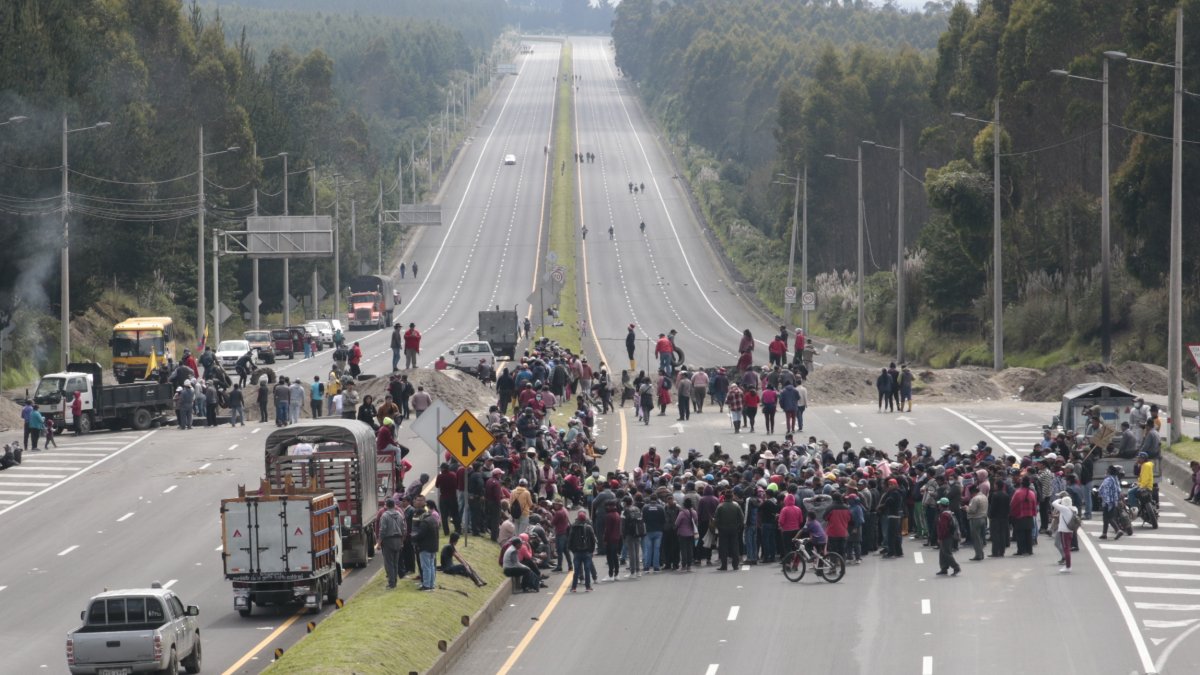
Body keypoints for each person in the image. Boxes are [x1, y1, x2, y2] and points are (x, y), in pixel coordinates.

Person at [411, 495, 438, 591]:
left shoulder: (425, 521)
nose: (416, 502)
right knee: (429, 566)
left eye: (419, 500)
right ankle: (430, 584)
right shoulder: (431, 519)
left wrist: (413, 538)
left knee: (426, 566)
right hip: (431, 546)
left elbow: (421, 534)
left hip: (424, 546)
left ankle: (427, 584)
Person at [714, 490, 744, 571]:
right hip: (734, 529)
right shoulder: (736, 506)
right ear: (732, 497)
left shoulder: (720, 506)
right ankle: (735, 565)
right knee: (735, 547)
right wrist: (739, 527)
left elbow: (716, 520)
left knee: (723, 548)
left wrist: (719, 527)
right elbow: (741, 518)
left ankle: (724, 565)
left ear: (724, 497)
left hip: (723, 529)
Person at [379, 498, 406, 588]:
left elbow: (382, 530)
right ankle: (395, 581)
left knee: (389, 562)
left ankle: (391, 583)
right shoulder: (399, 514)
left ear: (386, 505)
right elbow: (403, 529)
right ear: (394, 505)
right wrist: (402, 540)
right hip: (398, 540)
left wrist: (379, 542)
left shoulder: (384, 515)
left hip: (388, 540)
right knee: (395, 562)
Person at [568, 511, 597, 592]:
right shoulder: (589, 527)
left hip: (577, 552)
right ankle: (588, 587)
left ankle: (574, 587)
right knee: (587, 570)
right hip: (587, 552)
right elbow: (593, 541)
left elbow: (570, 540)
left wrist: (573, 550)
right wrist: (591, 551)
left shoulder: (573, 527)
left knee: (576, 571)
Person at [934, 498, 961, 576]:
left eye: (939, 504)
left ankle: (956, 567)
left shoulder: (944, 515)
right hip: (949, 535)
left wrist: (940, 537)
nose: (938, 506)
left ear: (941, 505)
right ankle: (944, 568)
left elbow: (943, 528)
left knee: (947, 553)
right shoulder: (950, 513)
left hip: (946, 537)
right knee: (942, 553)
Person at [1052, 492, 1077, 573]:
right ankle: (1067, 565)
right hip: (1069, 530)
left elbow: (1054, 503)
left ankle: (1068, 567)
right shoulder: (1074, 509)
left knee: (1066, 549)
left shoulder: (1065, 509)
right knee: (1067, 548)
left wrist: (1060, 499)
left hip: (1064, 531)